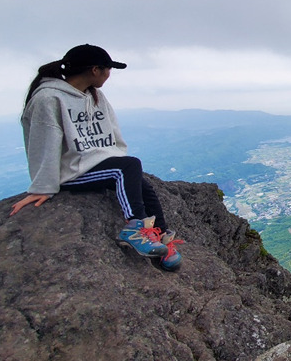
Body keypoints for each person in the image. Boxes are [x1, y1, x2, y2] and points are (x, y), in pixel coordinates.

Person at [10, 44, 183, 271]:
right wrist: (44, 185)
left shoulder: (95, 95)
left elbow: (111, 133)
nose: (109, 75)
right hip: (71, 173)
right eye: (107, 69)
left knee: (143, 186)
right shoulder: (48, 98)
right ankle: (136, 231)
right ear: (95, 70)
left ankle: (161, 241)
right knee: (129, 166)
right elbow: (44, 142)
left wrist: (116, 158)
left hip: (96, 163)